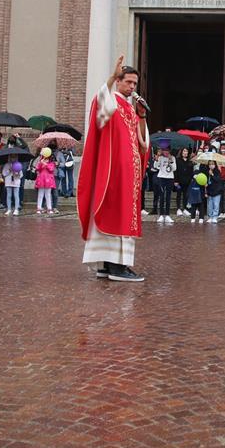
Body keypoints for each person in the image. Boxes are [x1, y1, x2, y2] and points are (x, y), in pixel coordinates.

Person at [78, 57, 150, 282]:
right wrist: (110, 77)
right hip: (114, 174)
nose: (132, 87)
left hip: (129, 175)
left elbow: (143, 142)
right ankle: (116, 267)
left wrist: (142, 116)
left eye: (135, 84)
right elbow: (100, 106)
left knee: (121, 214)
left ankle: (110, 265)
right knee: (113, 214)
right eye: (128, 82)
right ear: (117, 82)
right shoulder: (111, 103)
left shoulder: (129, 107)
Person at [153, 142, 176, 223]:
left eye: (167, 150)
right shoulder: (160, 157)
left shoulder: (173, 157)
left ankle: (167, 215)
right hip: (161, 178)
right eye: (164, 150)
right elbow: (155, 166)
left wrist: (170, 160)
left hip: (170, 178)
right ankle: (161, 215)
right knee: (162, 196)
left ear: (169, 150)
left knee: (168, 197)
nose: (166, 152)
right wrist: (156, 159)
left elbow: (174, 168)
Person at [35, 150, 57, 215]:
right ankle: (39, 208)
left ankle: (49, 208)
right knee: (40, 194)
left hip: (48, 180)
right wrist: (40, 163)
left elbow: (51, 169)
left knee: (48, 194)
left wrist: (45, 164)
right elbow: (37, 168)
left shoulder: (51, 163)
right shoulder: (41, 162)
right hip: (41, 179)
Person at [174, 147, 193, 217]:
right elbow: (176, 171)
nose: (185, 153)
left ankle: (185, 208)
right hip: (179, 181)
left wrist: (191, 179)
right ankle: (178, 209)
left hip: (187, 181)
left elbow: (191, 171)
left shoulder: (190, 161)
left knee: (186, 195)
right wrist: (175, 180)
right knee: (179, 194)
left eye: (186, 151)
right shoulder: (178, 160)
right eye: (184, 151)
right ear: (181, 152)